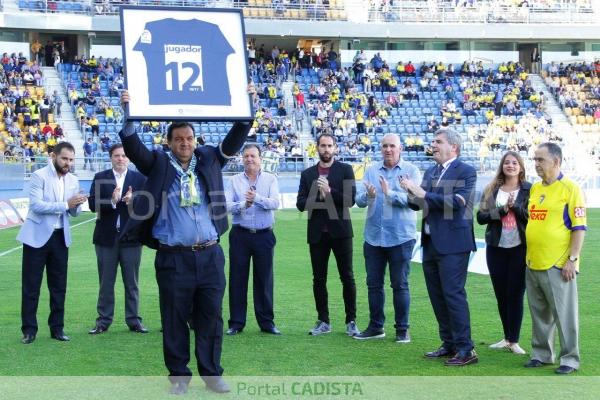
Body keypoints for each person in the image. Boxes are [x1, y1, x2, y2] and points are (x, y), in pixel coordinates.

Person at [118, 90, 251, 394]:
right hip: (173, 257)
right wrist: (128, 111)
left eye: (189, 138)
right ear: (169, 142)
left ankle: (212, 373)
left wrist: (247, 110)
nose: (184, 143)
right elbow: (135, 148)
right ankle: (179, 377)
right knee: (174, 319)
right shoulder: (159, 163)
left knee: (211, 316)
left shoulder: (207, 158)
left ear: (195, 140)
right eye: (178, 138)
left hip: (210, 254)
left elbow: (232, 142)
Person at [400, 128, 478, 366]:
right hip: (431, 242)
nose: (432, 145)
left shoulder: (466, 171)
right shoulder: (432, 170)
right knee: (437, 296)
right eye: (433, 141)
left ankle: (466, 349)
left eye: (438, 141)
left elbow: (456, 203)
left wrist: (422, 192)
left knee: (453, 295)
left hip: (454, 244)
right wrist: (411, 194)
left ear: (453, 147)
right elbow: (420, 204)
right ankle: (449, 343)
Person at [524, 143, 586, 375]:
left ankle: (570, 358)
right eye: (535, 160)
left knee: (565, 314)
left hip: (558, 264)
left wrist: (572, 259)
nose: (536, 164)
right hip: (533, 261)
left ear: (556, 161)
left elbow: (579, 228)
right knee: (539, 312)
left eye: (541, 160)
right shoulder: (536, 189)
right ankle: (542, 354)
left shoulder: (571, 189)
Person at [17, 142, 87, 344]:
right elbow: (37, 205)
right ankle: (29, 330)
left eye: (71, 160)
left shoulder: (73, 179)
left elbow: (74, 212)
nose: (68, 163)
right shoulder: (39, 176)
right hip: (36, 238)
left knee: (58, 286)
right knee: (31, 286)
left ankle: (57, 328)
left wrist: (77, 205)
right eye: (64, 159)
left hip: (60, 238)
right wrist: (67, 204)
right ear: (54, 156)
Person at [354, 134, 421, 343]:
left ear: (400, 148)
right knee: (373, 284)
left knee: (399, 284)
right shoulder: (371, 170)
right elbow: (359, 201)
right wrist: (370, 196)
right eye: (384, 146)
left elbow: (415, 200)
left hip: (401, 237)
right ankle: (376, 327)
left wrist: (389, 193)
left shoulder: (411, 171)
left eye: (392, 146)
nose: (388, 150)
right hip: (374, 237)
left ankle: (402, 329)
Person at [296, 133, 359, 337]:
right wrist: (317, 194)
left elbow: (350, 200)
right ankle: (323, 320)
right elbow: (300, 204)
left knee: (347, 277)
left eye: (329, 146)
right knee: (319, 279)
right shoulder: (307, 174)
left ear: (335, 148)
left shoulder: (345, 170)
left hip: (341, 233)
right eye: (322, 146)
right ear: (317, 148)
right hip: (317, 235)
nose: (326, 149)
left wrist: (330, 192)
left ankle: (351, 321)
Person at [87, 144, 147, 335]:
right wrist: (112, 201)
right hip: (106, 239)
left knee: (132, 282)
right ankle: (103, 321)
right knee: (106, 282)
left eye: (123, 155)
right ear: (111, 158)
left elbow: (147, 205)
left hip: (132, 238)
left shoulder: (139, 178)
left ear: (128, 158)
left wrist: (133, 200)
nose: (120, 159)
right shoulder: (100, 177)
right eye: (116, 156)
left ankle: (134, 320)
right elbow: (91, 204)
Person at [476, 151, 531, 355]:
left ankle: (514, 340)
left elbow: (532, 216)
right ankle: (506, 337)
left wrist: (515, 208)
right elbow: (480, 217)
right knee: (501, 294)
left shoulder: (529, 189)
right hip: (496, 248)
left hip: (520, 247)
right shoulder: (492, 189)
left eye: (514, 162)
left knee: (515, 293)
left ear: (521, 167)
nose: (510, 165)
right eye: (507, 162)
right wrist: (501, 211)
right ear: (502, 166)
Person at [225, 144, 281, 336]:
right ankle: (236, 323)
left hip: (264, 235)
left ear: (260, 159)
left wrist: (256, 198)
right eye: (246, 156)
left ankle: (267, 323)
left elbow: (275, 203)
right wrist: (244, 204)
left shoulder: (270, 179)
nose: (250, 159)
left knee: (264, 280)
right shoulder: (233, 180)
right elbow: (226, 206)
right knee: (237, 279)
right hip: (240, 234)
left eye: (253, 156)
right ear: (242, 159)